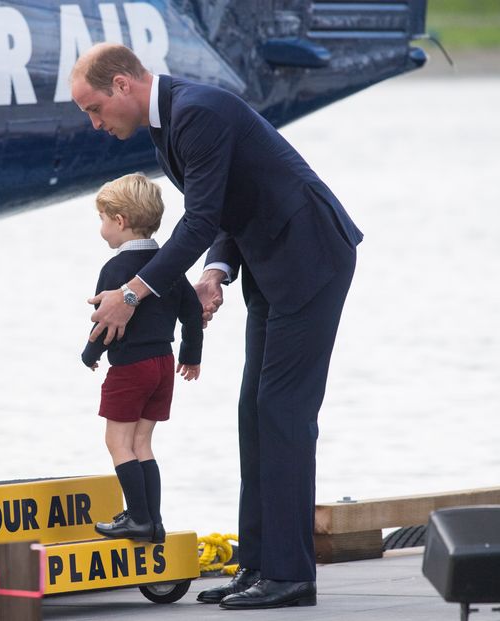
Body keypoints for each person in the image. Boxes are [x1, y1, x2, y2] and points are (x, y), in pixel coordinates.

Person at [71, 43, 362, 610]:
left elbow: (200, 217)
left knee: (284, 413)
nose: (94, 122)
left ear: (124, 85)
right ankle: (257, 566)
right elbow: (224, 208)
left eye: (94, 108)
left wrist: (132, 293)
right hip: (272, 263)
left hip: (311, 257)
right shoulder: (170, 123)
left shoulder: (196, 111)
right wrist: (215, 274)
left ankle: (290, 575)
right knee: (254, 411)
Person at [81, 173, 204, 545]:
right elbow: (192, 313)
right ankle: (153, 521)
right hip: (163, 365)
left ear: (119, 221)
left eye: (102, 220)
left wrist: (89, 353)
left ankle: (137, 518)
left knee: (118, 443)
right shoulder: (168, 266)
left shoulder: (115, 270)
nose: (102, 228)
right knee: (143, 443)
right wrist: (191, 356)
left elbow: (107, 322)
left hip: (130, 368)